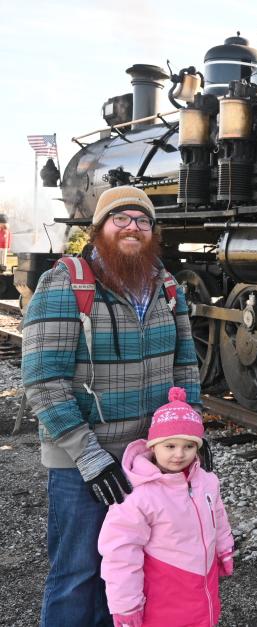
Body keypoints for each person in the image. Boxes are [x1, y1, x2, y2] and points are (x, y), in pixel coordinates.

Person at [22, 185, 201, 627]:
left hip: (148, 459)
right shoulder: (65, 281)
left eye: (142, 220)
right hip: (81, 461)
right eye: (120, 218)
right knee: (78, 573)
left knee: (128, 573)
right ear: (98, 229)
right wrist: (91, 457)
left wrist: (191, 434)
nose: (132, 227)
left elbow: (186, 366)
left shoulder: (166, 286)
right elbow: (44, 381)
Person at [99, 387, 233, 627]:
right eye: (170, 446)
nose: (179, 454)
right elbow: (120, 552)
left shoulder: (207, 482)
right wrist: (126, 605)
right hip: (163, 595)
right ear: (153, 446)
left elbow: (218, 516)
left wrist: (224, 548)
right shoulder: (138, 496)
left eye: (189, 446)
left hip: (202, 587)